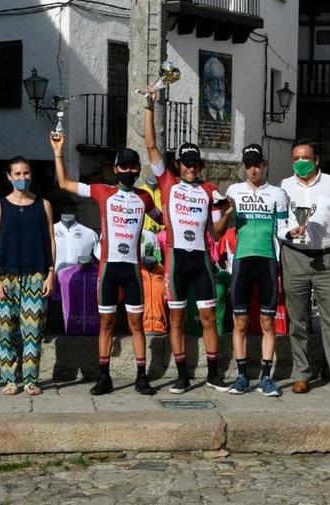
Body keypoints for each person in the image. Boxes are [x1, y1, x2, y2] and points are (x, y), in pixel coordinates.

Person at [51, 134, 162, 396]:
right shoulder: (103, 191)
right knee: (106, 325)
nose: (129, 171)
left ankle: (141, 376)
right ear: (115, 169)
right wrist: (58, 151)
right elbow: (65, 183)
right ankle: (104, 377)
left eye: (134, 167)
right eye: (124, 167)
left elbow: (163, 219)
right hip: (109, 269)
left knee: (137, 325)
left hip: (133, 270)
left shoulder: (145, 198)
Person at [144, 92, 227, 394]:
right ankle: (182, 375)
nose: (192, 167)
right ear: (178, 164)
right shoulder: (167, 183)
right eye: (187, 162)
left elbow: (215, 232)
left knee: (208, 318)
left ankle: (214, 373)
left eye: (196, 162)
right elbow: (151, 146)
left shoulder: (209, 189)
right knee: (176, 319)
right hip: (176, 259)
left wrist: (227, 215)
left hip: (201, 259)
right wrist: (150, 108)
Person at [280, 138, 330, 396]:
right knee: (298, 320)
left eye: (305, 158)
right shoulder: (284, 187)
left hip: (328, 258)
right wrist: (288, 234)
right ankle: (301, 373)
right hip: (294, 256)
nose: (300, 163)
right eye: (295, 159)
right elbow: (278, 225)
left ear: (316, 160)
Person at [213, 143, 289, 397]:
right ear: (243, 167)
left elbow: (282, 228)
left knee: (268, 322)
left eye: (257, 164)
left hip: (267, 260)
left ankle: (267, 378)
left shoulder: (278, 194)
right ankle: (242, 376)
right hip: (242, 262)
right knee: (240, 322)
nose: (253, 169)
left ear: (265, 165)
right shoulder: (233, 191)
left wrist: (294, 232)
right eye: (248, 165)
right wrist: (227, 212)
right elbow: (218, 230)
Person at [0, 156, 55, 396]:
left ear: (31, 175)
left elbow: (51, 239)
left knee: (33, 331)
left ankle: (30, 379)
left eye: (25, 173)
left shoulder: (43, 205)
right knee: (6, 331)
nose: (22, 178)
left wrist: (50, 273)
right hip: (6, 276)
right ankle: (9, 380)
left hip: (36, 274)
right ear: (9, 177)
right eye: (17, 174)